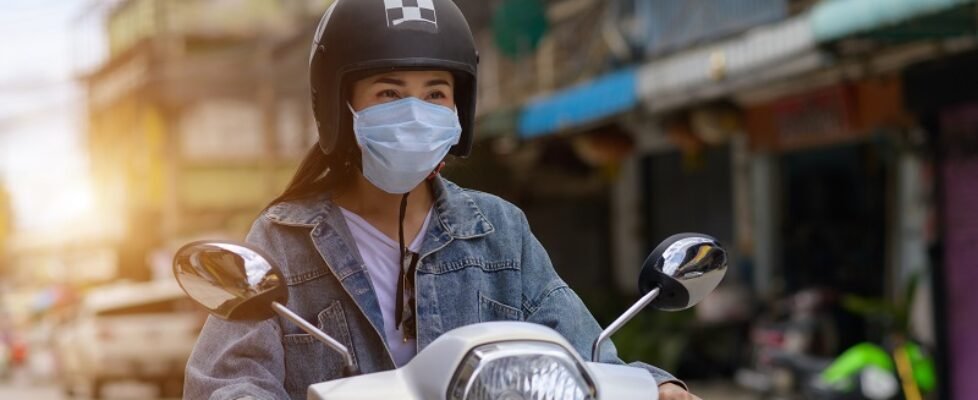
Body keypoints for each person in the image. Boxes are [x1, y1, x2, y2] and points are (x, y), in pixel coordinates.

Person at [184, 1, 699, 399]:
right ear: (339, 107)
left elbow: (587, 353)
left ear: (459, 109)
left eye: (435, 94)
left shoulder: (500, 230)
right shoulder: (283, 239)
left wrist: (652, 384)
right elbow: (228, 379)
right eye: (388, 93)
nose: (416, 111)